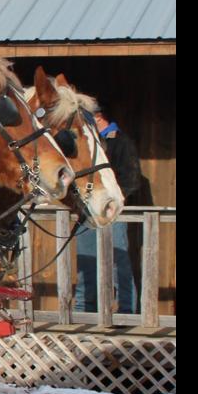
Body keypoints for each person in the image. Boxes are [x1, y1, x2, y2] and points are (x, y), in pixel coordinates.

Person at [72, 107, 142, 316]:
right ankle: (85, 311)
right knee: (86, 262)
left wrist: (111, 202)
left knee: (118, 263)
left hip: (111, 213)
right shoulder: (85, 142)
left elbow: (131, 179)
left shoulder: (120, 142)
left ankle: (126, 312)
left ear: (98, 117)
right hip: (87, 213)